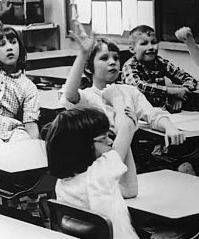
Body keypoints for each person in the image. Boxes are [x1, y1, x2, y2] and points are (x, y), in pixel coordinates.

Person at [47, 104, 148, 239]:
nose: (110, 141)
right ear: (80, 146)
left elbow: (130, 190)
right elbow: (125, 127)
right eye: (103, 139)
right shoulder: (101, 173)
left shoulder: (63, 183)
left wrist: (127, 137)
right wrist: (118, 104)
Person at [59, 21, 185, 158]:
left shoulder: (129, 91)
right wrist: (83, 54)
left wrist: (169, 126)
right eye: (104, 58)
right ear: (89, 68)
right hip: (103, 158)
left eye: (116, 58)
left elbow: (153, 115)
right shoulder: (87, 97)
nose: (112, 62)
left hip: (133, 155)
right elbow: (70, 95)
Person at [0, 20, 40, 145]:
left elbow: (31, 125)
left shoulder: (28, 87)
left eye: (13, 42)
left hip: (9, 132)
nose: (9, 47)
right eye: (2, 44)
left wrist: (35, 149)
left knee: (23, 143)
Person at [121, 25, 197, 113]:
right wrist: (171, 91)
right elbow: (138, 86)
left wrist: (181, 94)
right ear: (132, 49)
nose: (150, 47)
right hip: (137, 113)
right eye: (144, 43)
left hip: (161, 112)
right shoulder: (129, 66)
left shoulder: (160, 62)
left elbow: (189, 79)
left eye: (154, 42)